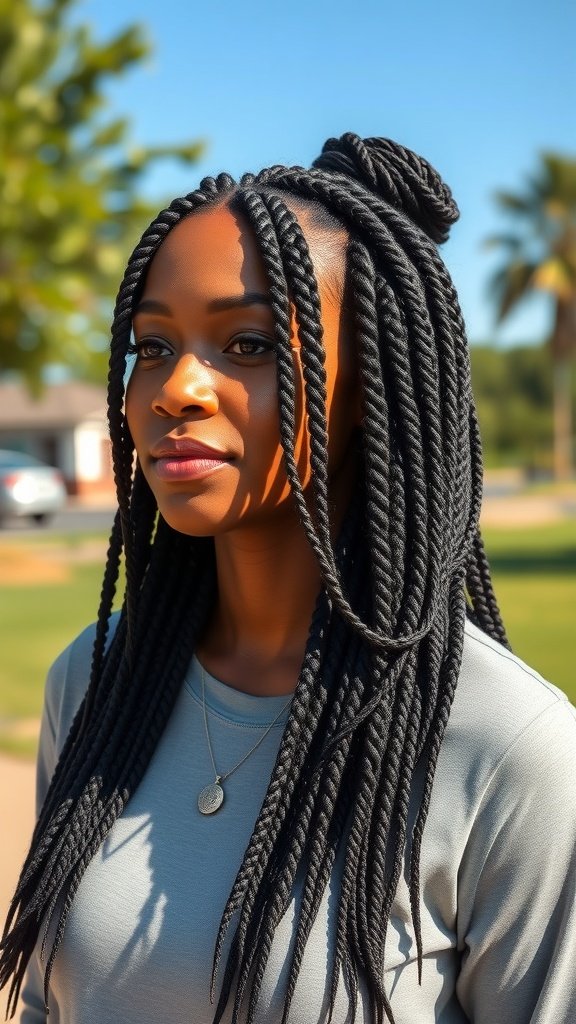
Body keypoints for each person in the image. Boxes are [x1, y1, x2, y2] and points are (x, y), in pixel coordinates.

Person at [1, 133, 575, 1024]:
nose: (177, 388)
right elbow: (48, 1002)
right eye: (152, 346)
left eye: (248, 342)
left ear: (375, 384)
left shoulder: (508, 748)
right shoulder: (94, 682)